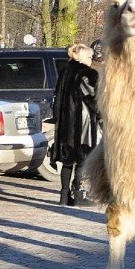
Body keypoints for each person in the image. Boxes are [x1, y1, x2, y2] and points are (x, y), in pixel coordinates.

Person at [50, 42, 101, 206]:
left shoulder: (66, 71)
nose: (92, 60)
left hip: (66, 122)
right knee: (82, 157)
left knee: (67, 160)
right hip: (82, 121)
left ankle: (64, 196)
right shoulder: (86, 74)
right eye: (90, 57)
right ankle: (78, 194)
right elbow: (92, 98)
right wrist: (101, 113)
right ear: (85, 57)